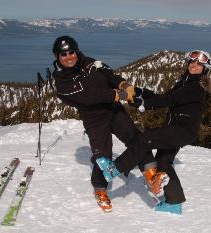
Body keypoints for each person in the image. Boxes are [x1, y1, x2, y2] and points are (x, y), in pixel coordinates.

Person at [51, 35, 169, 213]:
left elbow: (109, 75)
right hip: (94, 119)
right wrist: (120, 95)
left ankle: (152, 178)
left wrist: (124, 85)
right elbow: (89, 96)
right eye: (63, 54)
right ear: (57, 57)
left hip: (114, 111)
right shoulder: (62, 81)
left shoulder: (90, 63)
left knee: (138, 140)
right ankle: (100, 190)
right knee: (103, 159)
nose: (68, 56)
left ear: (77, 50)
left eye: (71, 52)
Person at [96, 50, 211, 215]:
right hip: (178, 128)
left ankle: (115, 169)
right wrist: (139, 93)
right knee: (163, 163)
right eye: (192, 62)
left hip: (183, 129)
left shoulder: (196, 87)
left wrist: (144, 106)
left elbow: (170, 100)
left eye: (199, 64)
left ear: (205, 69)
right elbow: (162, 96)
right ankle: (174, 203)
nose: (194, 65)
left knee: (146, 138)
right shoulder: (185, 83)